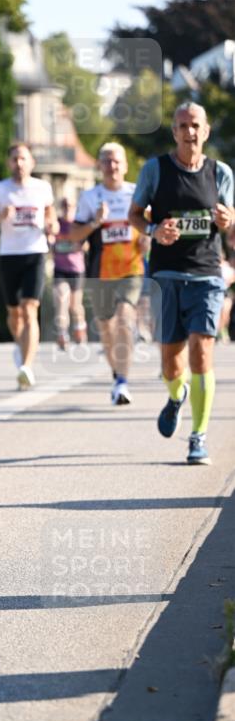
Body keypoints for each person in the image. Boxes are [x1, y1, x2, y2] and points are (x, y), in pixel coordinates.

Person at [129, 102, 234, 464]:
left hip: (206, 273)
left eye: (195, 125)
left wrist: (227, 219)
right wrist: (154, 230)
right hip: (166, 275)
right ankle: (177, 395)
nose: (190, 132)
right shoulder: (154, 170)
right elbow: (134, 216)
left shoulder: (221, 173)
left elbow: (230, 222)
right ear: (173, 131)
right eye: (182, 125)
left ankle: (198, 435)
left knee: (202, 350)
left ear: (206, 131)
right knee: (171, 365)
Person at [68, 143, 149, 405]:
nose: (112, 166)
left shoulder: (137, 194)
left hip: (132, 269)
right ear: (99, 166)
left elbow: (150, 227)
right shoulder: (90, 197)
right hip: (99, 270)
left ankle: (122, 382)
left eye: (116, 161)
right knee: (106, 327)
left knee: (125, 318)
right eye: (107, 161)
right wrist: (95, 222)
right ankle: (117, 373)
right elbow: (74, 237)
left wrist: (148, 239)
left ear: (125, 166)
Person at [0, 143, 58, 389]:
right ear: (9, 162)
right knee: (14, 313)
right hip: (9, 255)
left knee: (30, 308)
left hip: (35, 253)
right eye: (14, 159)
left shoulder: (42, 188)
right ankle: (21, 347)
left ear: (31, 162)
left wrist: (53, 225)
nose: (19, 163)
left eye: (23, 158)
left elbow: (51, 215)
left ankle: (27, 366)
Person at [51, 197, 86, 350]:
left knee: (75, 305)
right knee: (61, 299)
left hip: (76, 269)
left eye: (70, 205)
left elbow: (87, 246)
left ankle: (79, 326)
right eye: (64, 205)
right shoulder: (57, 224)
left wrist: (79, 244)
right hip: (60, 269)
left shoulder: (77, 225)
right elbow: (50, 240)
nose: (67, 208)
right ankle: (62, 333)